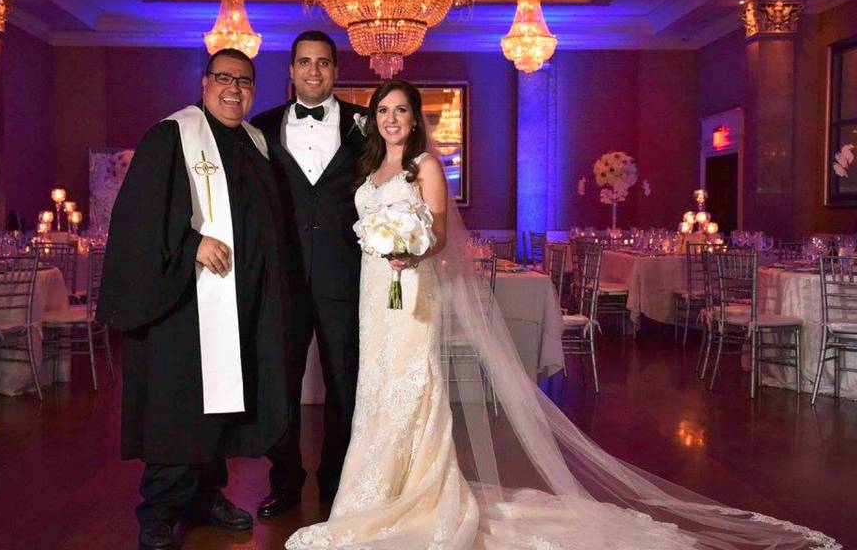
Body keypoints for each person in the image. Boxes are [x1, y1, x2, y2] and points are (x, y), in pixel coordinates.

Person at [286, 79, 838, 549]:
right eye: (382, 111)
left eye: (401, 110)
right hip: (372, 294)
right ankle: (372, 492)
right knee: (374, 389)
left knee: (412, 387)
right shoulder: (368, 169)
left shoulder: (425, 166)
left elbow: (437, 233)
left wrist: (412, 251)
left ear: (416, 119)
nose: (391, 119)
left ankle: (417, 495)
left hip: (412, 295)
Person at [96, 48, 290, 550]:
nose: (234, 89)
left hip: (237, 303)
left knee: (219, 413)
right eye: (224, 78)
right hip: (183, 304)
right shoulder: (170, 136)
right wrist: (191, 245)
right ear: (204, 83)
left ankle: (205, 496)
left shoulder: (254, 143)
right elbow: (140, 221)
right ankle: (158, 512)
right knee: (179, 411)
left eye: (245, 81)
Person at [250, 31, 369, 517]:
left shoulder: (366, 127)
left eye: (323, 63)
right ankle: (285, 480)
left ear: (336, 71)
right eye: (304, 63)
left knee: (346, 384)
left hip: (346, 277)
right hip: (282, 279)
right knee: (279, 383)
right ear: (291, 70)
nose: (313, 72)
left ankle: (338, 480)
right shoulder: (261, 127)